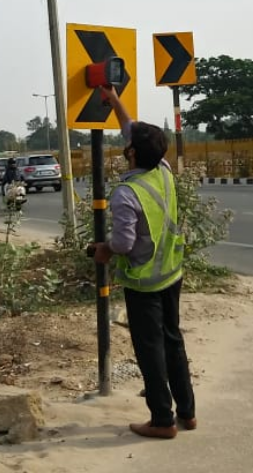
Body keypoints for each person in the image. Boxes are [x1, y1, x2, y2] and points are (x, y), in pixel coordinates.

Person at [88, 86, 195, 440]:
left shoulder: (126, 193)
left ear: (131, 152)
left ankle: (162, 420)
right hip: (172, 274)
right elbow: (130, 127)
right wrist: (114, 99)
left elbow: (123, 243)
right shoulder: (162, 169)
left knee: (150, 350)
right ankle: (187, 412)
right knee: (173, 340)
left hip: (145, 283)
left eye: (130, 142)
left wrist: (104, 249)